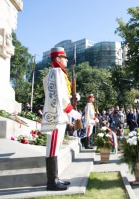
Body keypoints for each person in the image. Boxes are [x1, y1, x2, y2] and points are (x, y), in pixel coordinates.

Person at [41, 47, 82, 191]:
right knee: (52, 148)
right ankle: (52, 182)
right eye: (64, 57)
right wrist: (71, 111)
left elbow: (61, 93)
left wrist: (72, 97)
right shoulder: (57, 72)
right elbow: (59, 96)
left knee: (55, 148)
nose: (66, 60)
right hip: (56, 116)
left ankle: (55, 178)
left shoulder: (58, 73)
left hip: (59, 115)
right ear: (57, 59)